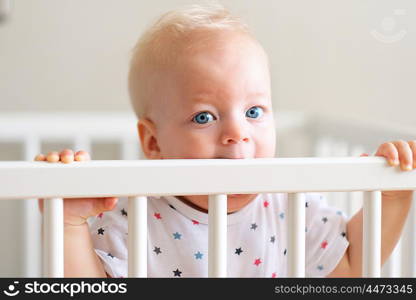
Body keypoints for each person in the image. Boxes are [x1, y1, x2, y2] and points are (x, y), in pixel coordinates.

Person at [36, 3, 414, 278]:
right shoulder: (128, 220)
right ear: (153, 143)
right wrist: (68, 223)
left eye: (254, 112)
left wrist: (391, 198)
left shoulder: (289, 206)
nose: (238, 132)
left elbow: (348, 268)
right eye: (204, 117)